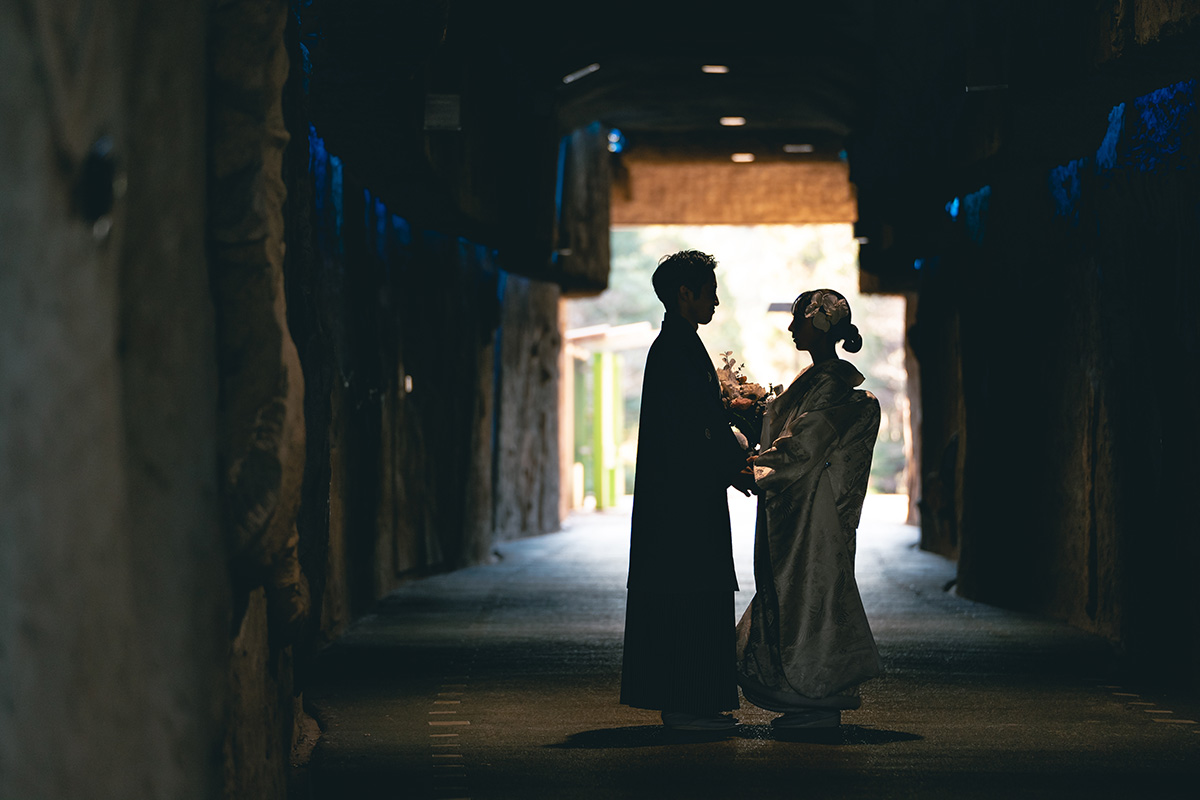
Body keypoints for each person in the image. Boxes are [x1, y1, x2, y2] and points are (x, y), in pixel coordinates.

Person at [620, 250, 757, 732]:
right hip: (682, 506)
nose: (715, 300)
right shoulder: (677, 350)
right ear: (685, 293)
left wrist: (729, 452)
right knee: (690, 596)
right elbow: (696, 430)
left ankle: (692, 702)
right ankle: (685, 704)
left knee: (690, 595)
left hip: (680, 499)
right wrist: (737, 459)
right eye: (709, 290)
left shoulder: (677, 345)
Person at [736, 288, 882, 729]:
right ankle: (806, 699)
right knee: (797, 595)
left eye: (799, 319)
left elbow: (804, 444)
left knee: (809, 596)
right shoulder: (819, 381)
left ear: (818, 324)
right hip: (800, 510)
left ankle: (818, 698)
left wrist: (754, 470)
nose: (792, 327)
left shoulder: (833, 386)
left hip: (815, 516)